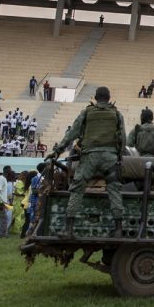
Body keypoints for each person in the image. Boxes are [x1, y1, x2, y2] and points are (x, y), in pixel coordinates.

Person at [47, 86, 126, 239]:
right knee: (114, 190)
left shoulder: (87, 112)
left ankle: (68, 230)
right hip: (110, 157)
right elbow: (123, 137)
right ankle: (118, 229)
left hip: (89, 156)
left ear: (95, 98)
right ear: (109, 98)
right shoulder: (116, 114)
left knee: (77, 189)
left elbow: (72, 133)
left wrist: (58, 151)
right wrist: (119, 155)